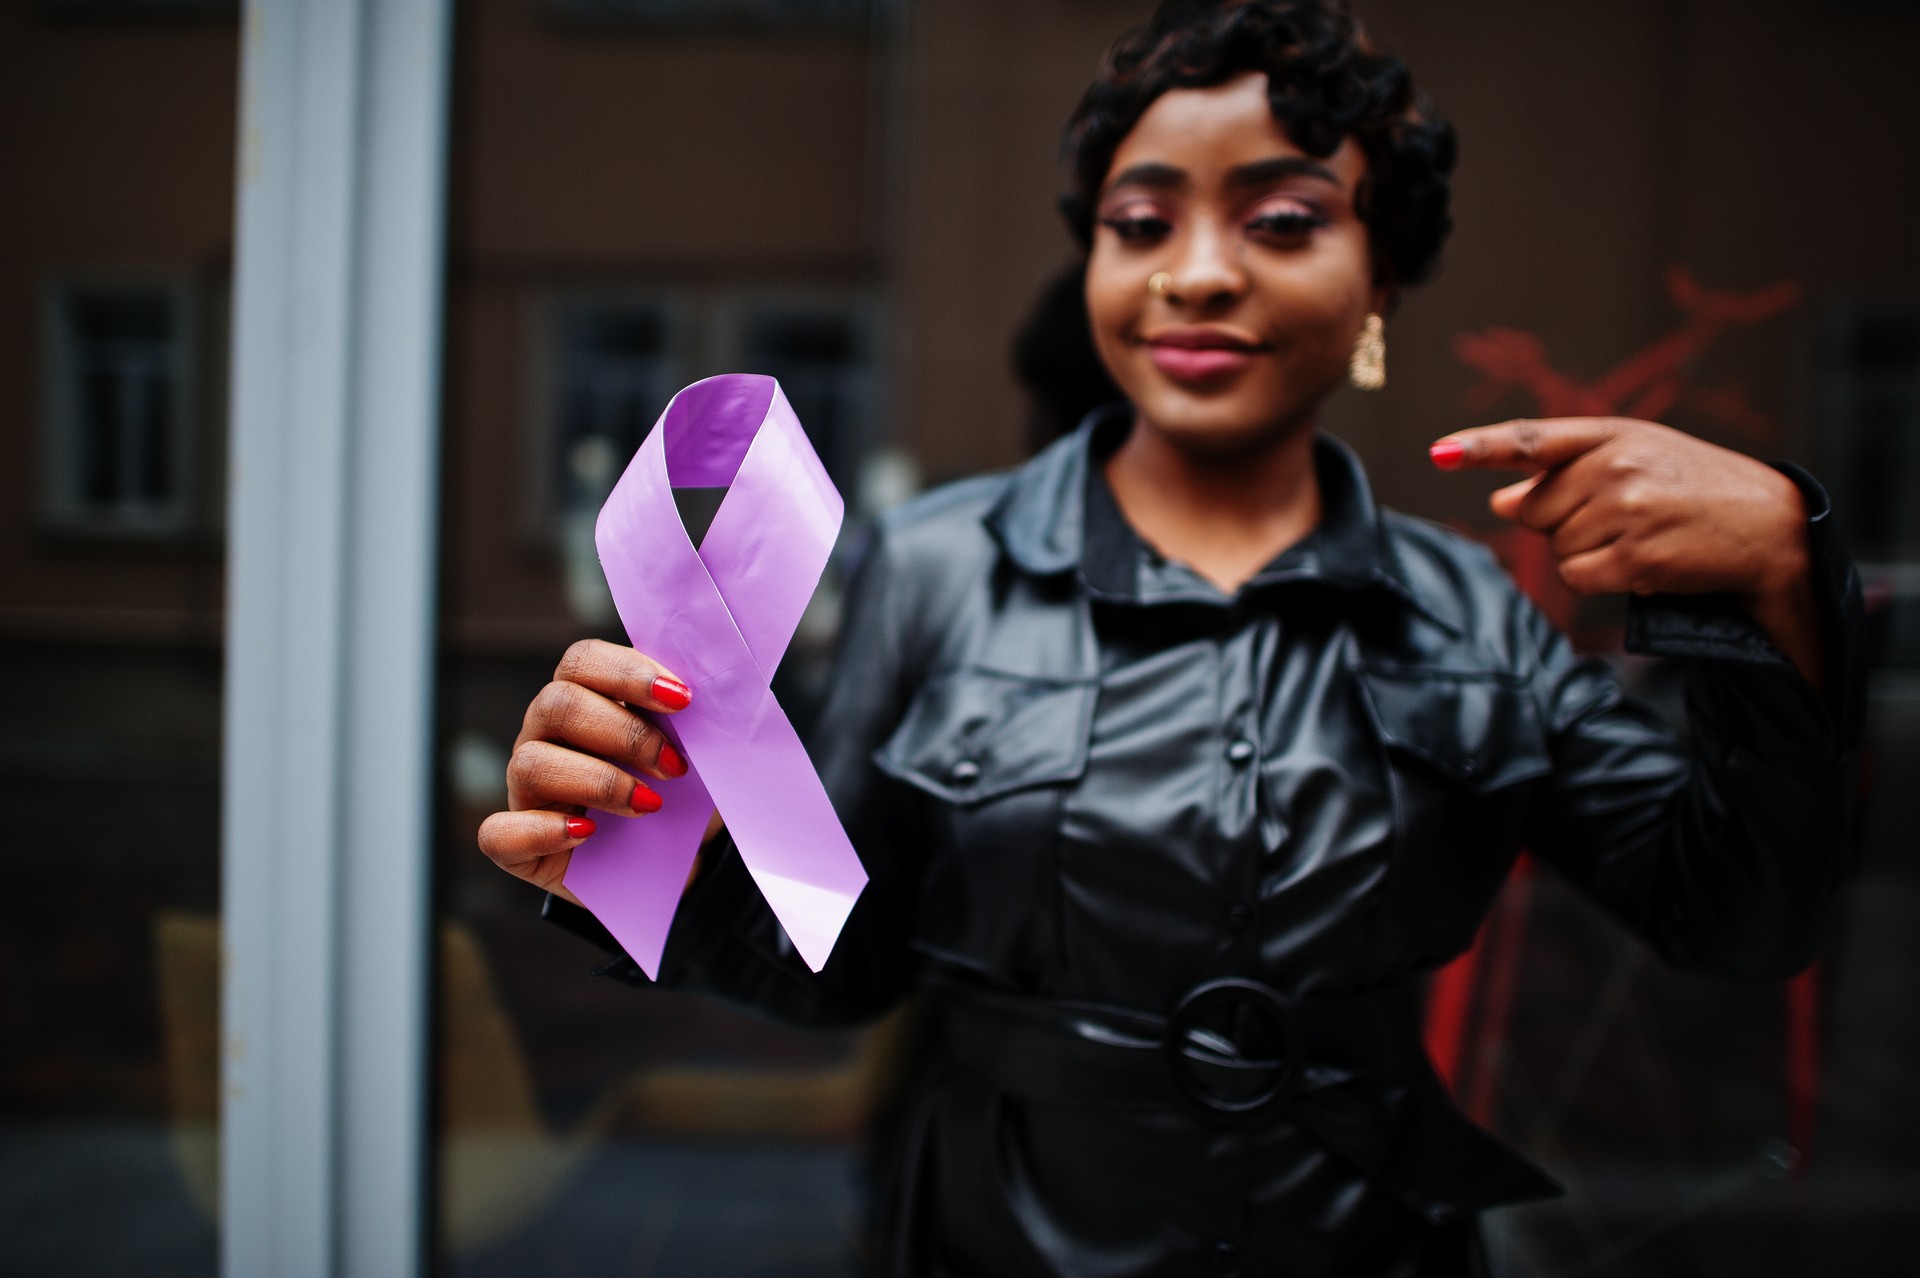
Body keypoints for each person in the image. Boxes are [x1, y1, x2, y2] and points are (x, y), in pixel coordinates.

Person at [477, 2, 1864, 1273]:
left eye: (1282, 221)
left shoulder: (1471, 613)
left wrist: (1782, 586)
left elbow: (1734, 914)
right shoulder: (937, 565)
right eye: (1142, 222)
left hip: (1371, 1242)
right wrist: (643, 852)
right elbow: (839, 964)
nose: (1196, 273)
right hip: (1002, 1231)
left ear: (1380, 286)